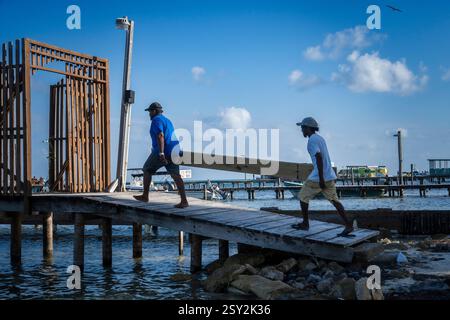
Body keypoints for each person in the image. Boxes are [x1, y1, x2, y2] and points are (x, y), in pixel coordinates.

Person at [292, 117, 354, 237]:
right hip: (329, 175)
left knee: (303, 196)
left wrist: (320, 178)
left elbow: (319, 158)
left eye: (303, 128)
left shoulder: (311, 141)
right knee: (335, 201)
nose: (301, 130)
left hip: (319, 176)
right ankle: (348, 225)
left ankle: (305, 223)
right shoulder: (320, 138)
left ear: (308, 128)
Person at [133, 102, 189, 208]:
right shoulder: (167, 120)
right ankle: (184, 201)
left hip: (164, 150)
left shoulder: (156, 120)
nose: (149, 114)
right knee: (176, 175)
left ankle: (145, 196)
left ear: (154, 111)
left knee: (147, 169)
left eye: (150, 112)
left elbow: (160, 135)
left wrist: (161, 153)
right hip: (175, 150)